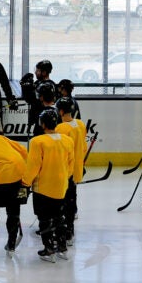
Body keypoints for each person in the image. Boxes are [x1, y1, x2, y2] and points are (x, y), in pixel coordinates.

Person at [21, 109, 74, 263]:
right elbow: (71, 165)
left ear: (42, 124)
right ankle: (62, 247)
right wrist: (64, 178)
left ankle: (49, 248)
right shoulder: (67, 140)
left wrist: (25, 182)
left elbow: (33, 166)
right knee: (59, 217)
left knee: (44, 218)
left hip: (42, 187)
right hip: (61, 186)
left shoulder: (37, 141)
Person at [55, 97, 87, 244]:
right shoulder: (80, 124)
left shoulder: (61, 128)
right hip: (76, 169)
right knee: (72, 199)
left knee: (62, 202)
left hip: (65, 170)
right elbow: (83, 148)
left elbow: (60, 152)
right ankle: (70, 230)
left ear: (60, 111)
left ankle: (63, 231)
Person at [21, 60, 58, 136]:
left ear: (44, 72)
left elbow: (34, 100)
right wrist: (24, 86)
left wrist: (27, 88)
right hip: (39, 120)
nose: (36, 72)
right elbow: (29, 99)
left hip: (46, 121)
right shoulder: (38, 83)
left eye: (38, 71)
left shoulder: (49, 85)